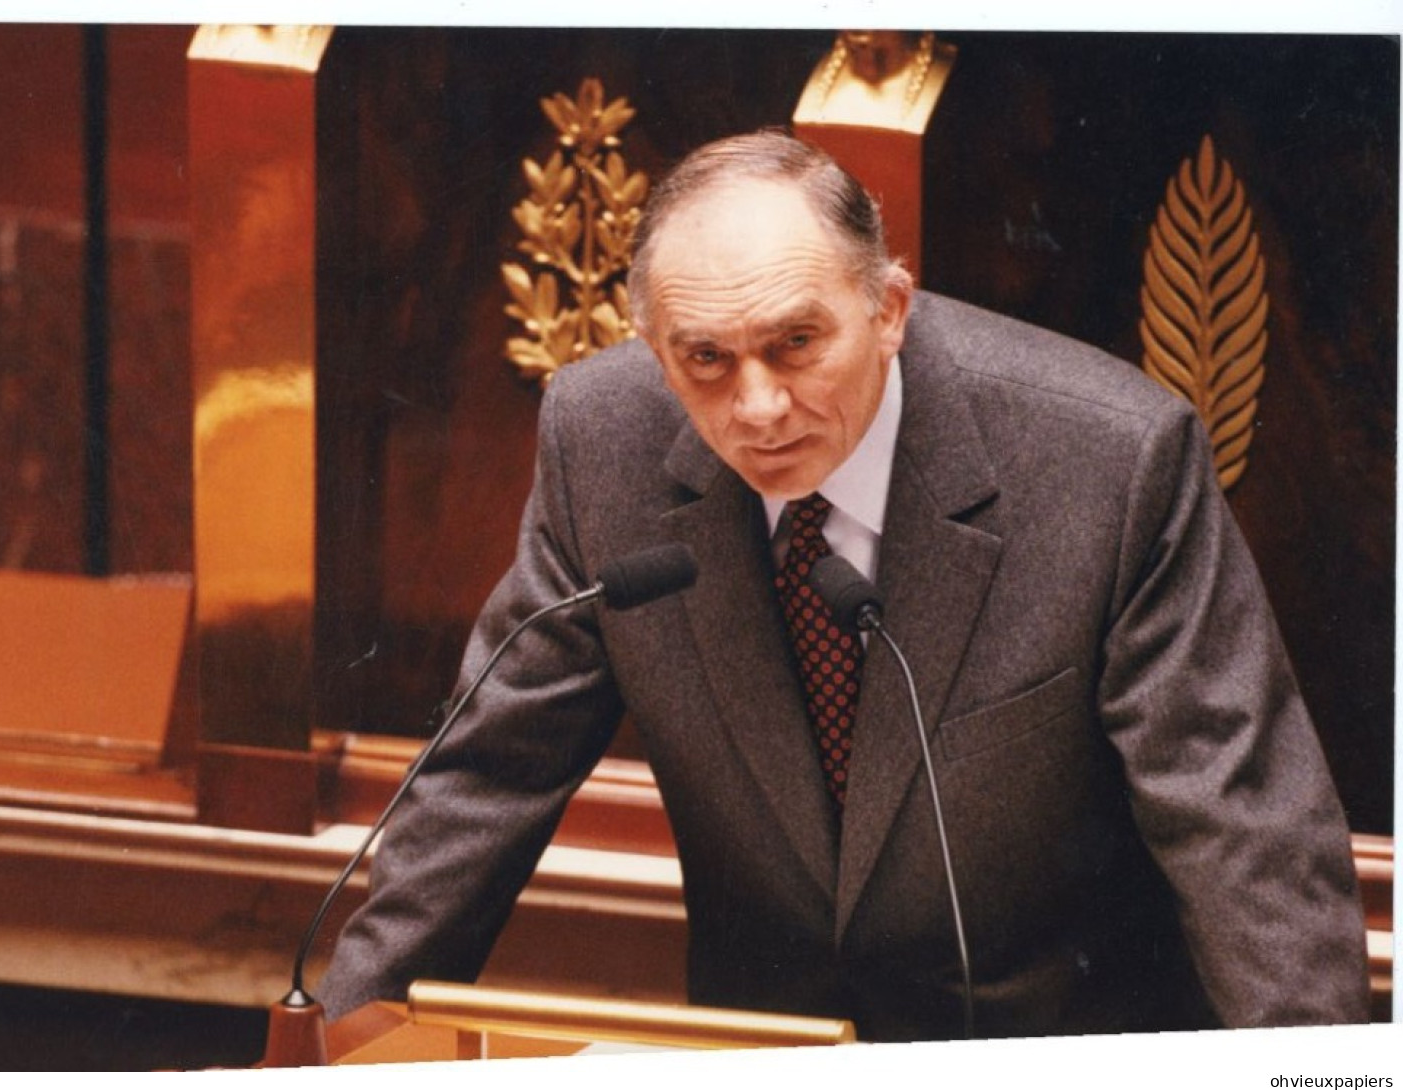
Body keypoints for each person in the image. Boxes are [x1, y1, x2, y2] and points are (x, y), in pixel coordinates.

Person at [317, 130, 1370, 1040]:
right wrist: (345, 1035)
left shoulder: (1107, 463)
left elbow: (1244, 834)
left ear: (890, 309)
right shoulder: (604, 443)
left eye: (795, 343)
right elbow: (484, 774)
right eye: (706, 361)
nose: (759, 406)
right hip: (771, 1047)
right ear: (651, 348)